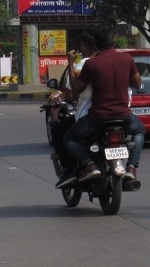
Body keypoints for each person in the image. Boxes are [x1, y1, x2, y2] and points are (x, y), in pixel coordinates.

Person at [63, 24, 145, 183]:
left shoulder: (91, 64)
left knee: (69, 139)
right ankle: (132, 167)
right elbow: (137, 83)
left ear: (97, 44)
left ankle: (90, 164)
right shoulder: (126, 58)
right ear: (113, 42)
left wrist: (71, 64)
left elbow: (76, 89)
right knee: (140, 131)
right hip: (123, 115)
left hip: (97, 117)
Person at [52, 31, 98, 188]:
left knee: (61, 133)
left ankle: (69, 170)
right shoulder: (114, 62)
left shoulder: (83, 65)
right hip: (118, 112)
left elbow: (72, 94)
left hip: (90, 113)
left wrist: (70, 63)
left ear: (83, 48)